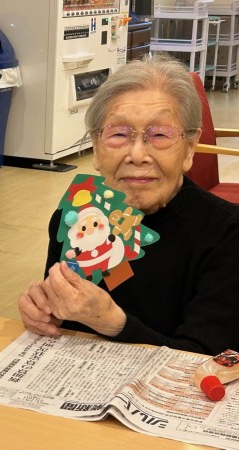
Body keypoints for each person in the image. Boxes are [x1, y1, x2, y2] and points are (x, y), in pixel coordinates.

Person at [19, 53, 239, 356]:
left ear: (190, 147)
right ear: (96, 148)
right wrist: (45, 312)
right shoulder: (76, 220)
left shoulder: (228, 235)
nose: (137, 155)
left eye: (159, 135)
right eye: (118, 134)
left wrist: (114, 323)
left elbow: (209, 359)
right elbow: (67, 324)